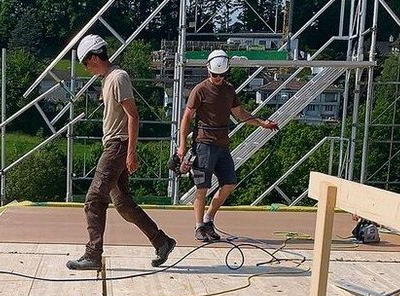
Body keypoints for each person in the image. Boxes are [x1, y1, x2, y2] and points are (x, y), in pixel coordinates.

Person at [66, 34, 176, 272]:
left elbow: (133, 116)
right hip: (113, 145)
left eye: (86, 63)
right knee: (124, 204)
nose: (86, 69)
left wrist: (131, 152)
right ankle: (162, 242)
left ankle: (93, 254)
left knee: (94, 200)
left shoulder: (118, 77)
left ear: (94, 57)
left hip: (118, 145)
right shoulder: (108, 80)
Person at [176, 49, 278, 243]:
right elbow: (186, 118)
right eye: (215, 75)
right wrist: (182, 146)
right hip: (204, 143)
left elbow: (239, 113)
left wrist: (262, 123)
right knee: (202, 187)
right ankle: (198, 226)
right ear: (208, 70)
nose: (218, 79)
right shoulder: (200, 90)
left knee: (229, 182)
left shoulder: (229, 89)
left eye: (221, 76)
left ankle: (208, 219)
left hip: (222, 144)